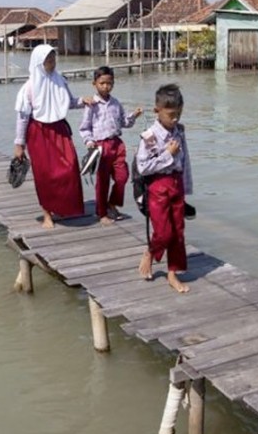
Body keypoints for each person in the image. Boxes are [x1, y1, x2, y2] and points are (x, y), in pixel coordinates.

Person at [14, 44, 93, 229]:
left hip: (59, 130)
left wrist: (84, 101)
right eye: (48, 60)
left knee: (70, 167)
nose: (51, 63)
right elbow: (22, 117)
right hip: (38, 132)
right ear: (39, 62)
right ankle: (47, 213)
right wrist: (19, 144)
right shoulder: (28, 88)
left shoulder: (60, 80)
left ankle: (63, 206)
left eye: (53, 59)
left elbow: (68, 102)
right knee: (45, 174)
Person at [135, 83, 193, 293]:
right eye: (170, 114)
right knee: (164, 232)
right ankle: (151, 251)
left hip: (176, 185)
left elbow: (185, 161)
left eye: (178, 113)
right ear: (157, 111)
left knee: (178, 231)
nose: (175, 119)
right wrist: (167, 154)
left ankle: (172, 273)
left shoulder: (179, 131)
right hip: (158, 187)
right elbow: (143, 167)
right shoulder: (150, 136)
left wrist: (186, 188)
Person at [78, 66, 143, 225]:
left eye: (109, 83)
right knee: (103, 181)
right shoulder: (91, 105)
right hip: (100, 146)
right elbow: (85, 128)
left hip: (117, 144)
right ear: (94, 84)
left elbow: (124, 122)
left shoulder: (116, 103)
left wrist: (134, 115)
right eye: (102, 83)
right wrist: (89, 142)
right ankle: (102, 213)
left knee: (123, 176)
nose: (106, 86)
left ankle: (112, 203)